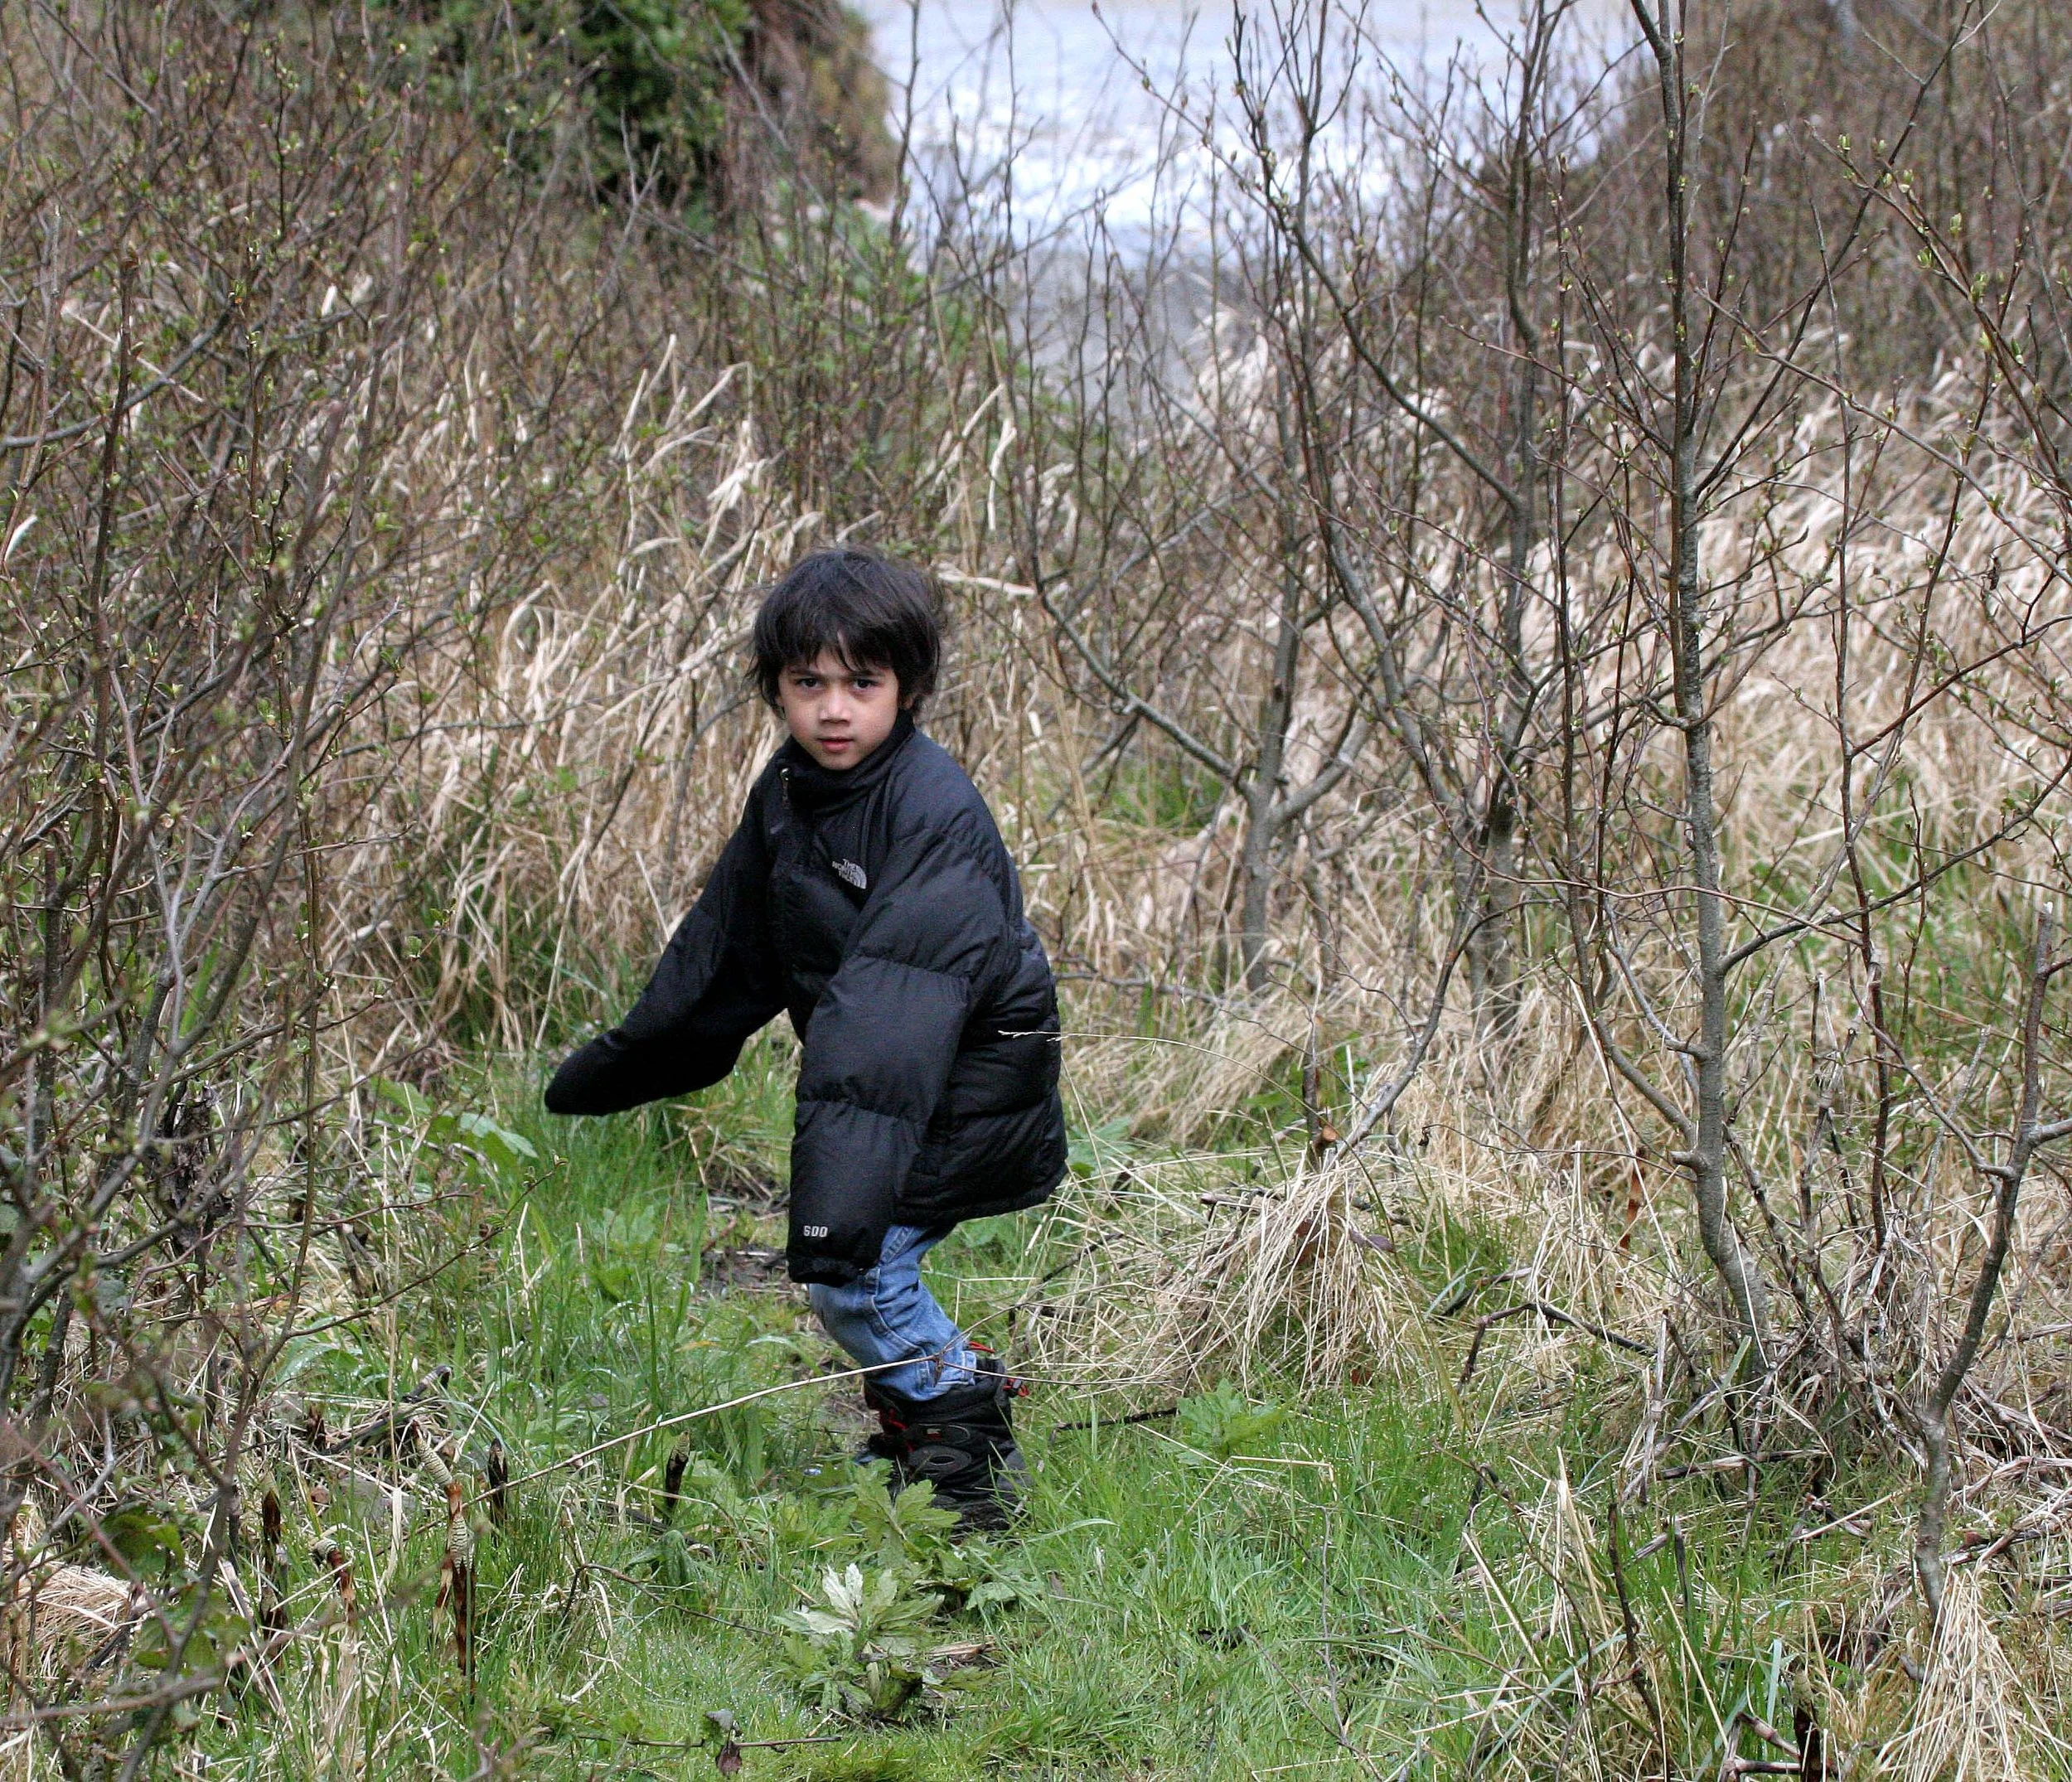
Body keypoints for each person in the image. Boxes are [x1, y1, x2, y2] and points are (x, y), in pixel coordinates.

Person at [543, 550, 1067, 1529]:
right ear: (776, 688)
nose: (834, 709)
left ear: (905, 687)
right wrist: (632, 1056)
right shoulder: (790, 793)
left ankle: (966, 1463)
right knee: (854, 1275)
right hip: (893, 1082)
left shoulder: (930, 810)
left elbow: (889, 1010)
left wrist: (834, 1208)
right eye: (808, 683)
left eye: (862, 684)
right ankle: (937, 1419)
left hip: (966, 1078)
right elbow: (727, 946)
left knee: (854, 1271)